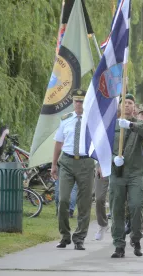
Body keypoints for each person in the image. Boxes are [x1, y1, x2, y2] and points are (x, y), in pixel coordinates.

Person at [51, 89, 95, 250]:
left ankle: (79, 238)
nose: (79, 104)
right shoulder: (66, 119)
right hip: (67, 162)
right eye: (76, 101)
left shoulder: (92, 120)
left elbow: (100, 142)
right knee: (63, 200)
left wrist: (101, 165)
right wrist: (54, 164)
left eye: (82, 101)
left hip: (86, 162)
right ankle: (64, 235)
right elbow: (58, 143)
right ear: (73, 102)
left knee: (84, 203)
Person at [110, 94, 143, 258]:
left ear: (134, 107)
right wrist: (113, 158)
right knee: (117, 209)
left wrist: (130, 125)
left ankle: (136, 238)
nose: (127, 106)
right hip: (117, 172)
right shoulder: (111, 124)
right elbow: (102, 146)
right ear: (120, 106)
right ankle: (119, 245)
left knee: (136, 206)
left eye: (130, 103)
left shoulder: (140, 123)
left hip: (135, 173)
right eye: (124, 103)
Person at [94, 163, 109, 241]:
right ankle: (102, 224)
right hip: (103, 164)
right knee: (99, 198)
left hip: (121, 164)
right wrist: (99, 165)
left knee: (119, 198)